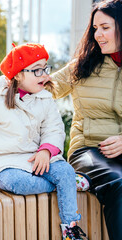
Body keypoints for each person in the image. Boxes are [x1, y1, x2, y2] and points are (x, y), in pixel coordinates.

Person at [0, 43, 88, 240]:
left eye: (46, 68)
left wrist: (46, 151)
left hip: (37, 158)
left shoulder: (45, 99)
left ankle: (70, 229)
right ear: (18, 75)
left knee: (65, 171)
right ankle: (66, 185)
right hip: (3, 163)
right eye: (37, 70)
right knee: (22, 184)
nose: (45, 75)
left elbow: (54, 129)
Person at [49, 0, 122, 239]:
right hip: (90, 151)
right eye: (95, 28)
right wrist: (11, 81)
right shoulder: (84, 65)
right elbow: (43, 87)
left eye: (105, 27)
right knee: (120, 182)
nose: (98, 34)